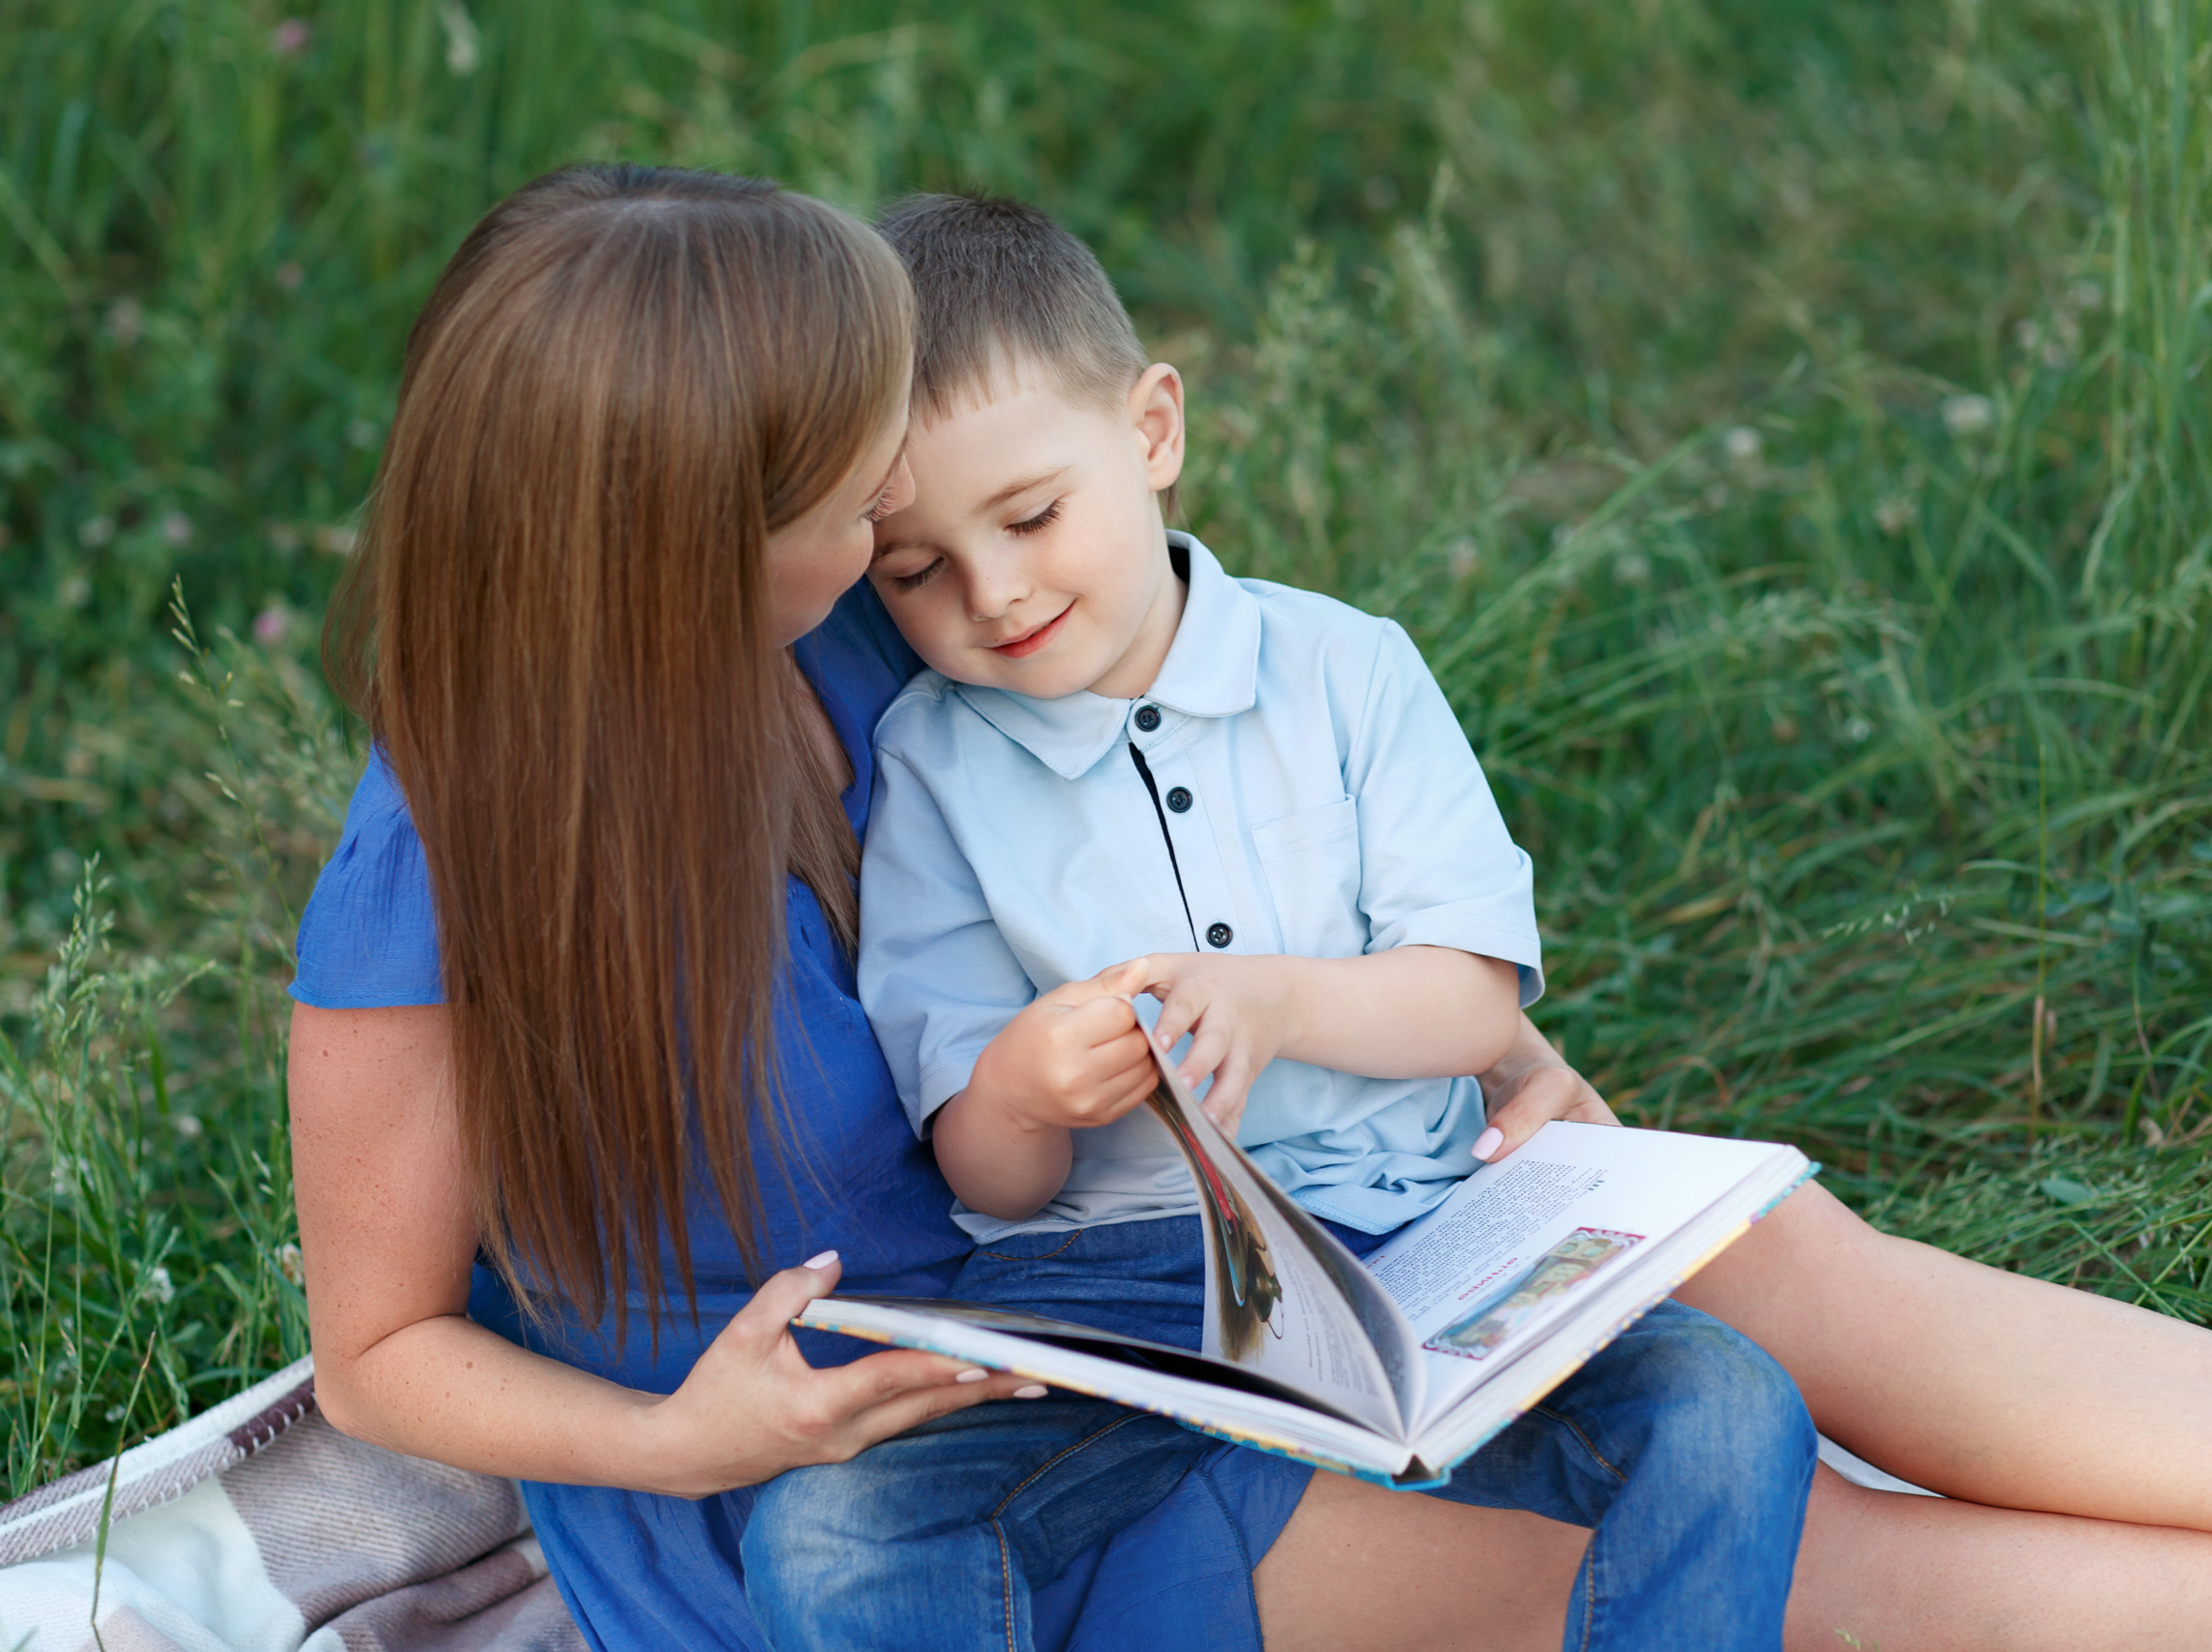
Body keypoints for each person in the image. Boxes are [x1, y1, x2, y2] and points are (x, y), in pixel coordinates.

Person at [288, 161, 2212, 1652]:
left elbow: (1173, 782)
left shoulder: (854, 635)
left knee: (1777, 1258)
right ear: (704, 522)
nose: (903, 479)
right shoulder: (442, 858)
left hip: (1191, 1273)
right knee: (1826, 1572)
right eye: (854, 468)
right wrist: (676, 1440)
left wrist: (1511, 1057)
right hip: (871, 1460)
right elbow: (375, 1346)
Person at [734, 193, 1816, 1652]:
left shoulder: (1345, 671)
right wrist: (1020, 1087)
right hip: (1118, 1298)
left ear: (1152, 432)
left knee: (1730, 1406)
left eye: (1034, 516)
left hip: (1423, 1243)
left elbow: (1475, 1001)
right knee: (835, 1528)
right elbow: (979, 1164)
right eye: (915, 573)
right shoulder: (930, 766)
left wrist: (1282, 1006)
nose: (991, 594)